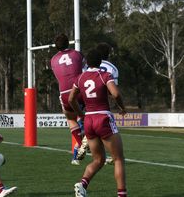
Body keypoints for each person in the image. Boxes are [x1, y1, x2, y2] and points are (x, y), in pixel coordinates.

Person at [69, 49, 127, 197]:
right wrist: (122, 107)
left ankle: (82, 185)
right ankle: (122, 194)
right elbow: (116, 94)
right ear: (100, 62)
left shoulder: (80, 78)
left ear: (87, 62)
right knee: (118, 159)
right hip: (103, 118)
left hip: (89, 120)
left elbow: (70, 99)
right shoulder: (105, 75)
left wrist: (81, 114)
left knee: (98, 160)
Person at [51, 33, 87, 165]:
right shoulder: (77, 54)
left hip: (65, 93)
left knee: (71, 119)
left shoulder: (53, 60)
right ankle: (87, 139)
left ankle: (80, 144)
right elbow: (84, 68)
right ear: (68, 43)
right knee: (89, 116)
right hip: (79, 89)